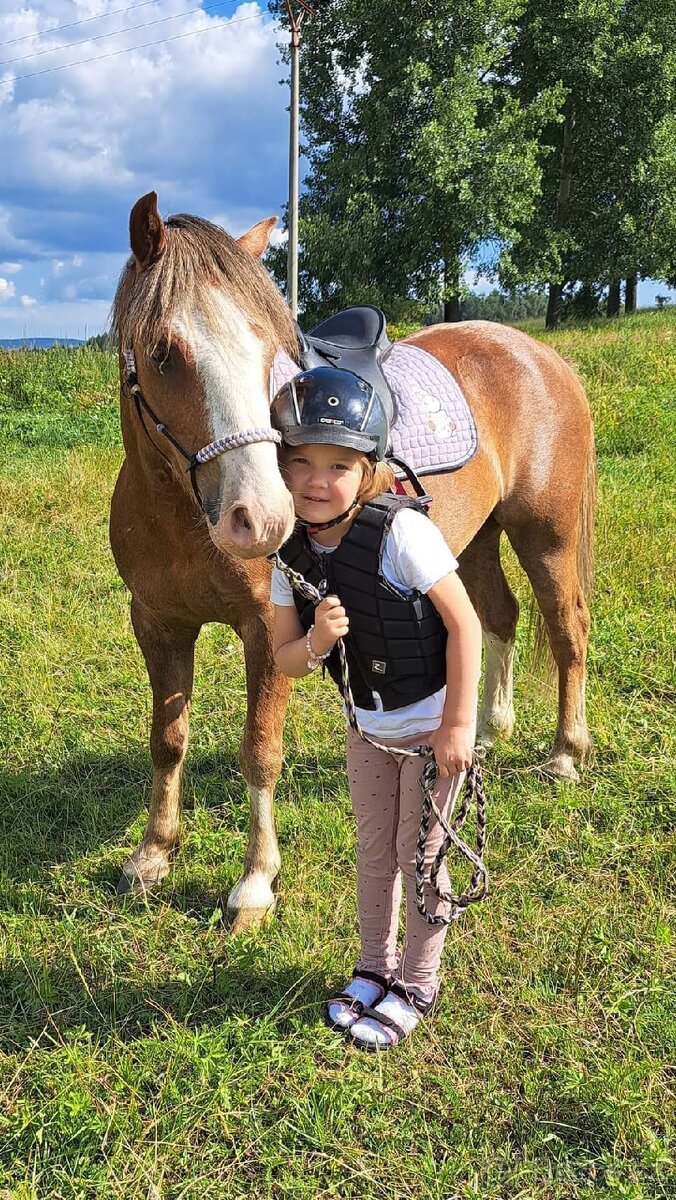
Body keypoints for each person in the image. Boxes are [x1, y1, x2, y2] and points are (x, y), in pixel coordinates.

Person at [270, 365, 482, 1051]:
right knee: (373, 853)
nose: (314, 480)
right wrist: (317, 639)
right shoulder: (288, 554)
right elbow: (285, 662)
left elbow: (466, 624)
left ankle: (417, 982)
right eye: (298, 461)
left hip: (428, 728)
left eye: (337, 464)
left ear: (370, 471)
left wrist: (458, 726)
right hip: (367, 729)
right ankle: (374, 965)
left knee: (420, 857)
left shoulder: (402, 534)